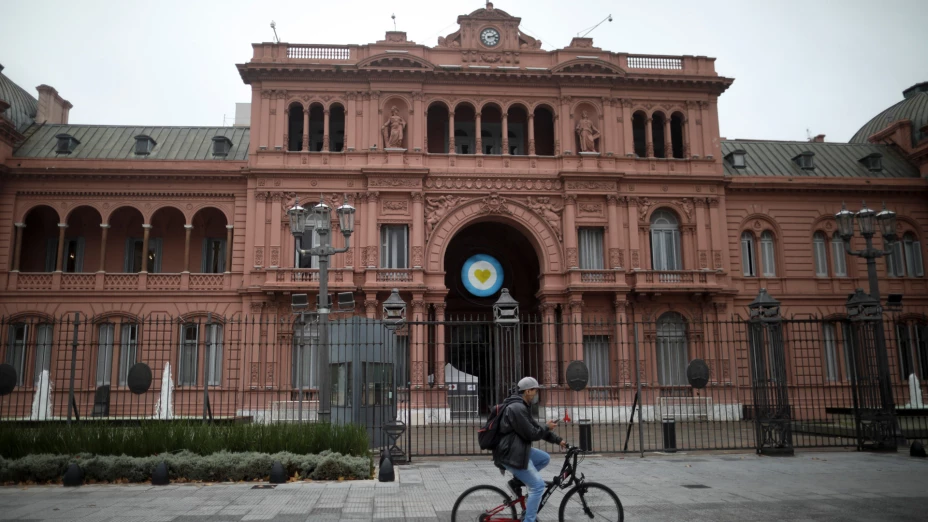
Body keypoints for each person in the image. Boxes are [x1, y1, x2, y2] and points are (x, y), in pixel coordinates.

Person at [493, 376, 566, 522]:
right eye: (535, 390)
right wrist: (546, 427)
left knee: (544, 458)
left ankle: (516, 482)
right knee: (538, 486)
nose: (537, 394)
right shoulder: (517, 408)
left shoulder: (521, 406)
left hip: (517, 449)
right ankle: (529, 520)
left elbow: (535, 427)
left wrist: (559, 441)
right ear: (527, 391)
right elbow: (532, 433)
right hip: (511, 453)